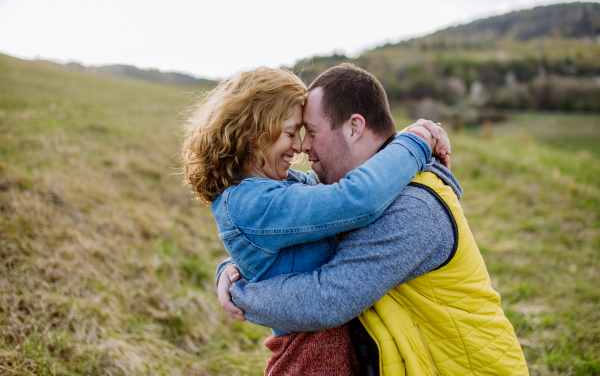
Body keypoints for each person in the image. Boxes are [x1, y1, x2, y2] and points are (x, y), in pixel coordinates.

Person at [217, 64, 530, 376]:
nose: (304, 147)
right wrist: (231, 268)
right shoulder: (354, 193)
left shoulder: (412, 206)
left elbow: (328, 298)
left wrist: (241, 293)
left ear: (354, 127)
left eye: (311, 132)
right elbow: (279, 224)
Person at [181, 66, 449, 375]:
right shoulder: (251, 201)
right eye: (292, 133)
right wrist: (414, 143)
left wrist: (232, 270)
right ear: (255, 131)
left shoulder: (273, 188)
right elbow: (353, 200)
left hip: (328, 352)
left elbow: (339, 192)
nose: (299, 146)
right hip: (308, 359)